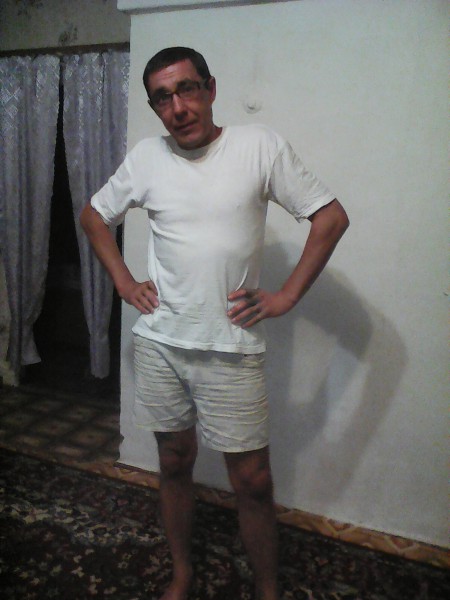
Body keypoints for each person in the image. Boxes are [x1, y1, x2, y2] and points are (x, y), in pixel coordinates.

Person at [80, 46, 349, 600]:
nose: (178, 107)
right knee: (174, 462)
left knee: (253, 480)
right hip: (161, 344)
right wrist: (124, 282)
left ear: (210, 88)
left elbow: (330, 217)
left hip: (231, 347)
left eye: (187, 89)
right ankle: (182, 573)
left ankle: (268, 589)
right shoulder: (148, 157)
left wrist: (286, 297)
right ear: (155, 108)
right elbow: (94, 215)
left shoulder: (258, 146)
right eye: (163, 98)